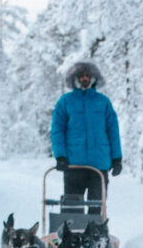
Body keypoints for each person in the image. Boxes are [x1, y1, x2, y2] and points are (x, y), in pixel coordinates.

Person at [50, 61, 123, 215]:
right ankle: (72, 230)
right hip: (73, 165)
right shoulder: (65, 102)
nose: (85, 78)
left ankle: (96, 230)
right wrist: (60, 156)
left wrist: (117, 158)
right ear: (75, 79)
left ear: (93, 78)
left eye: (88, 76)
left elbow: (113, 131)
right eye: (81, 76)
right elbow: (57, 130)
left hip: (99, 165)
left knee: (96, 208)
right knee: (72, 209)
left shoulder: (103, 102)